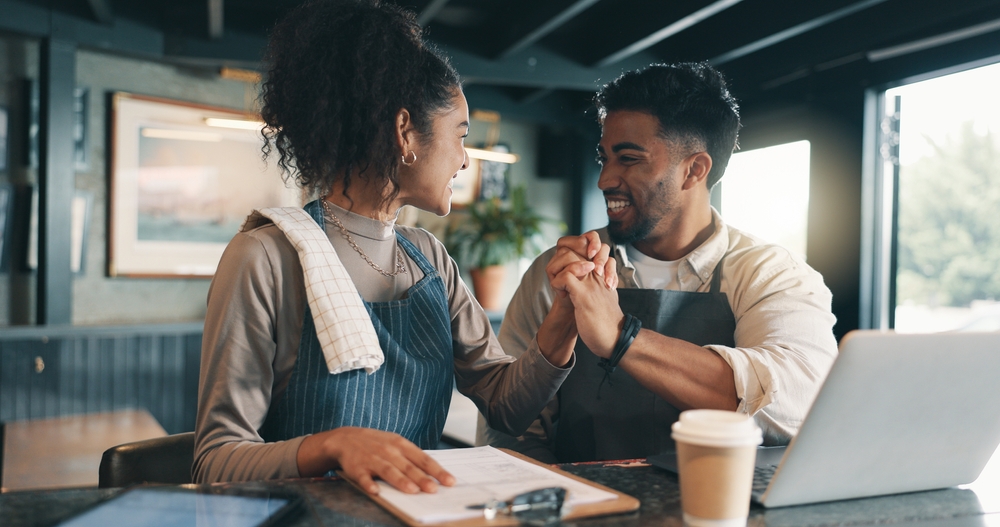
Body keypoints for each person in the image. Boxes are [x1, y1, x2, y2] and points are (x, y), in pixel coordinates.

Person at [193, 0, 574, 493]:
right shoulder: (266, 258)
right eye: (460, 135)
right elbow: (215, 461)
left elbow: (507, 405)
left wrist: (564, 319)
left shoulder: (430, 259)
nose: (464, 160)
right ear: (404, 132)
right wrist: (331, 446)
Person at [480, 62, 838, 463]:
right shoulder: (560, 271)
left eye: (629, 159)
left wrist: (622, 337)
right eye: (604, 158)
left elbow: (799, 405)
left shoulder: (769, 273)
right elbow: (507, 430)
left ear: (694, 170)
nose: (604, 179)